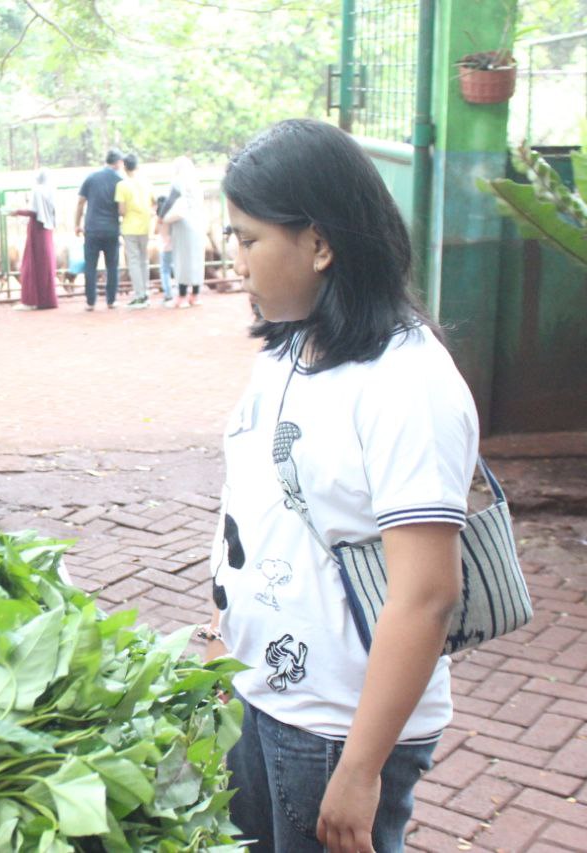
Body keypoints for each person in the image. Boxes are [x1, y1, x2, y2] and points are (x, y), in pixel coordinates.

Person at [201, 118, 479, 853]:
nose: (236, 261)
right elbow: (265, 513)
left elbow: (428, 593)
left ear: (319, 244)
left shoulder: (407, 383)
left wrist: (360, 768)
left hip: (336, 727)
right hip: (266, 693)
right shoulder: (293, 346)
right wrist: (226, 637)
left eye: (248, 239)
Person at [74, 148, 124, 310]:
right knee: (112, 265)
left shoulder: (91, 177)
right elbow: (122, 208)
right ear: (118, 163)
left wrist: (77, 223)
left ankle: (90, 302)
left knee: (90, 266)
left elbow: (80, 202)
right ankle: (111, 300)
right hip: (111, 228)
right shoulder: (119, 181)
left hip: (92, 229)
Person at [160, 157, 207, 308]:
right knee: (197, 260)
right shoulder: (197, 183)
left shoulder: (178, 181)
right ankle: (195, 295)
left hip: (183, 224)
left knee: (182, 260)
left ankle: (181, 297)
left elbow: (169, 202)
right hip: (198, 224)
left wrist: (161, 216)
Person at [11, 169, 59, 310]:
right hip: (46, 230)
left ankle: (31, 300)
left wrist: (17, 211)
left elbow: (35, 211)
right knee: (45, 265)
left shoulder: (38, 190)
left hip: (37, 230)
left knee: (32, 264)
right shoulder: (51, 190)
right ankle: (46, 299)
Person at [117, 153, 154, 308]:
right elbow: (154, 202)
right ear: (137, 166)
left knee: (133, 261)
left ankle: (139, 295)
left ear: (124, 167)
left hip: (130, 227)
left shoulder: (122, 185)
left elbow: (122, 210)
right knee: (144, 260)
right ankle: (145, 292)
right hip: (145, 225)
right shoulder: (146, 183)